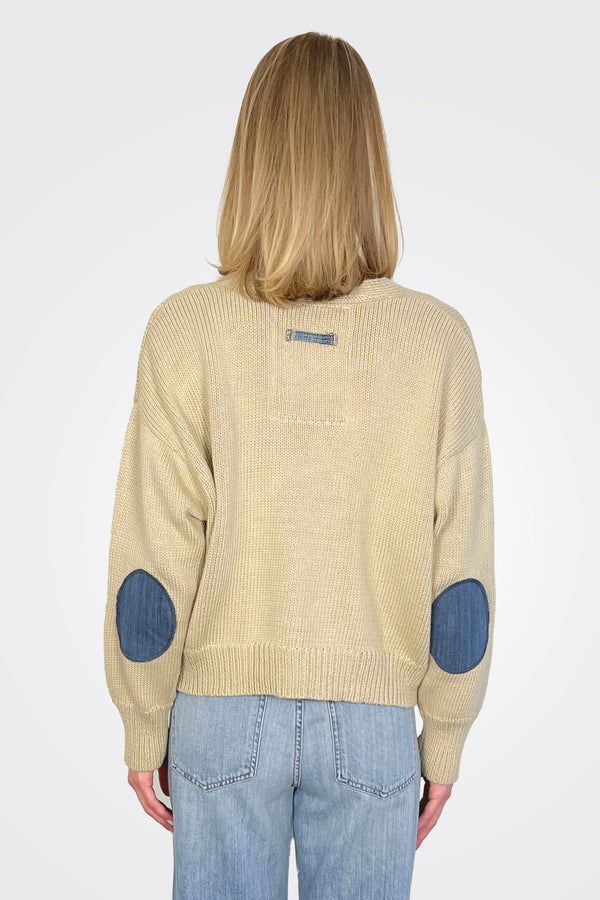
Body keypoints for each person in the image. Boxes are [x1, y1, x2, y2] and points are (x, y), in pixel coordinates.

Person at [103, 30, 495, 900]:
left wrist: (143, 718)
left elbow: (153, 553)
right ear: (369, 162)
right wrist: (445, 738)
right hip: (375, 726)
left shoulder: (185, 330)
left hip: (216, 717)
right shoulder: (438, 342)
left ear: (253, 158)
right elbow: (461, 573)